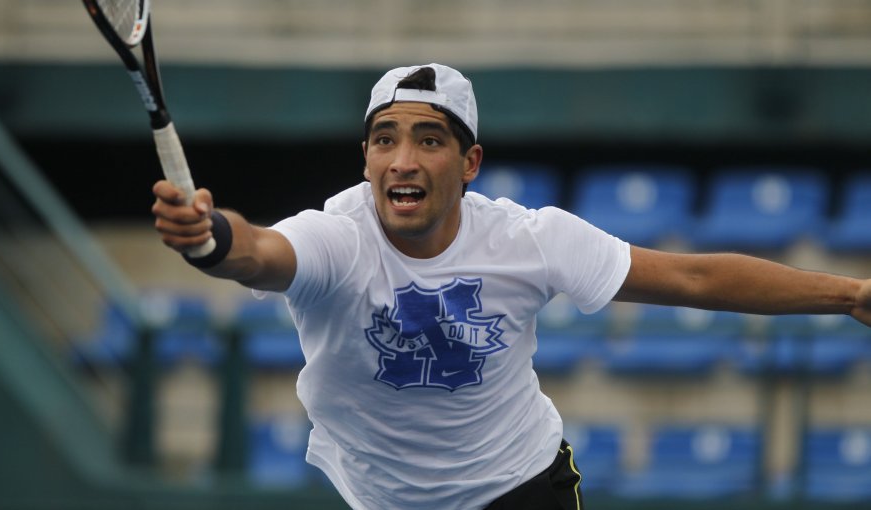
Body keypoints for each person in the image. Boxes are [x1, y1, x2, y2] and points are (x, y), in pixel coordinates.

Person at [151, 63, 871, 510]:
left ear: (469, 163)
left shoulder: (530, 239)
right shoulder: (336, 235)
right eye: (384, 139)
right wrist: (210, 238)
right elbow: (256, 252)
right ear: (366, 157)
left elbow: (693, 274)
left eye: (429, 140)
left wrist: (849, 294)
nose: (403, 159)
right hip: (380, 499)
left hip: (521, 489)